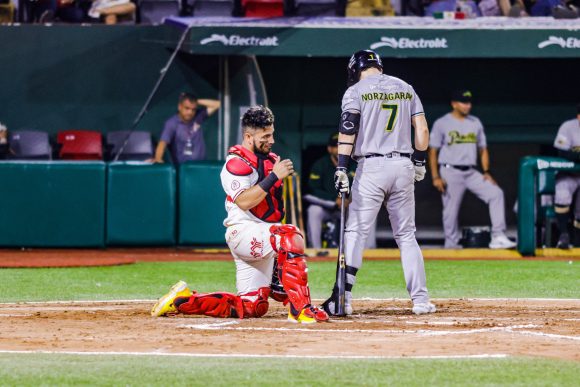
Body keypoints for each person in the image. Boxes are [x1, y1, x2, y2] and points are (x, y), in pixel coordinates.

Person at [151, 105, 329, 324]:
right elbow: (244, 201)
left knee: (252, 307)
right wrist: (274, 176)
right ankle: (301, 310)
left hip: (261, 234)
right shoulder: (235, 164)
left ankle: (183, 301)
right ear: (248, 137)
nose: (271, 140)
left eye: (272, 134)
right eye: (265, 136)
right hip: (242, 233)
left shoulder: (269, 159)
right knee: (290, 235)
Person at [322, 49, 435, 316]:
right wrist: (419, 162)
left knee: (356, 232)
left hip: (371, 166)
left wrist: (341, 167)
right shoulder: (405, 87)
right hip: (403, 164)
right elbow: (422, 129)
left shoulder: (355, 91)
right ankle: (420, 300)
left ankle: (344, 298)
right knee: (407, 236)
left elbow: (348, 128)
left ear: (354, 69)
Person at [428, 90, 516, 250]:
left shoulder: (475, 122)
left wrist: (487, 172)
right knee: (450, 212)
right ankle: (451, 245)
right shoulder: (442, 123)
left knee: (496, 193)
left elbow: (483, 149)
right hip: (450, 171)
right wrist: (435, 177)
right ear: (453, 103)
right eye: (463, 102)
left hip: (471, 172)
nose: (467, 105)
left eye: (469, 102)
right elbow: (433, 151)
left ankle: (498, 236)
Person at [305, 133, 377, 250]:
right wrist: (334, 199)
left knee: (368, 210)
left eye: (344, 145)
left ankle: (369, 251)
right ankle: (316, 251)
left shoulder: (356, 164)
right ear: (330, 149)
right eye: (337, 146)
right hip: (328, 208)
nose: (340, 149)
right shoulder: (320, 165)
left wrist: (350, 199)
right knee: (313, 210)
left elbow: (365, 187)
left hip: (350, 208)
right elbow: (313, 190)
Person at [151, 92, 220, 164]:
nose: (190, 112)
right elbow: (162, 143)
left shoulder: (198, 117)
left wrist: (196, 101)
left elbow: (217, 104)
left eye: (193, 109)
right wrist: (158, 158)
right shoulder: (172, 123)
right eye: (187, 108)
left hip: (201, 165)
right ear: (179, 107)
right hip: (183, 168)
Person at [552, 104, 580, 249]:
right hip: (568, 174)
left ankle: (577, 240)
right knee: (562, 192)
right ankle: (563, 234)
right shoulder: (568, 127)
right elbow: (562, 152)